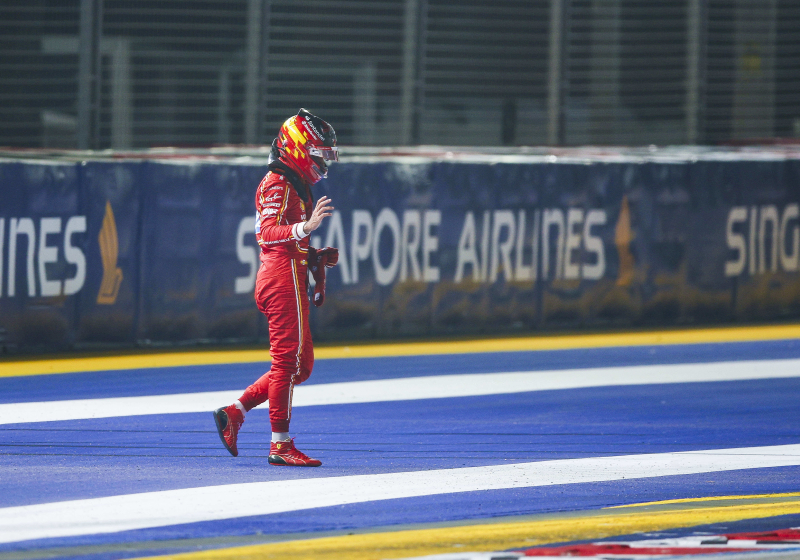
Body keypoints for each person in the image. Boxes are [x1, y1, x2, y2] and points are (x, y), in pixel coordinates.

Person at [213, 108, 339, 467]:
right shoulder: (278, 182)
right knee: (286, 363)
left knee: (300, 367)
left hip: (288, 271)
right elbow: (266, 234)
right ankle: (280, 444)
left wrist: (314, 255)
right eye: (317, 153)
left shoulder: (291, 181)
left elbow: (282, 239)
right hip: (281, 276)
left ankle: (235, 412)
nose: (321, 161)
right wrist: (307, 229)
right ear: (299, 148)